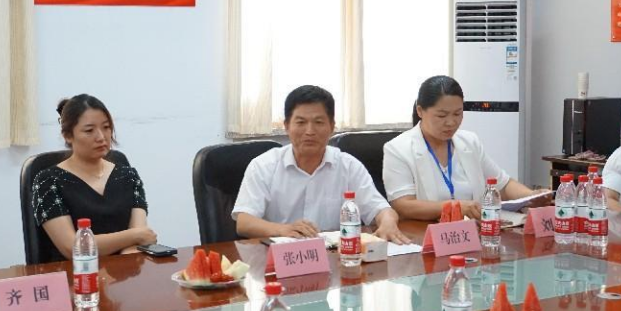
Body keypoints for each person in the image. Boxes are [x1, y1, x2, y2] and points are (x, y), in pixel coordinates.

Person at [232, 85, 410, 244]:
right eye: (301, 122)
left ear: (331, 126)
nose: (310, 131)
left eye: (318, 122)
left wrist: (388, 222)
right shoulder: (263, 166)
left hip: (334, 258)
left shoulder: (348, 166)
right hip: (279, 258)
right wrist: (283, 229)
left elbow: (380, 209)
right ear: (286, 126)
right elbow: (244, 222)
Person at [383, 76, 547, 221]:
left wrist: (531, 196)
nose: (451, 122)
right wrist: (456, 207)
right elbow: (404, 205)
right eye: (441, 115)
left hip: (473, 232)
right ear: (420, 111)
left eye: (457, 114)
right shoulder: (398, 149)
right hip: (425, 234)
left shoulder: (469, 142)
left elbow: (502, 185)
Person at [32, 94, 157, 260]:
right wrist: (134, 235)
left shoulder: (129, 176)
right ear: (68, 135)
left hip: (124, 270)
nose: (101, 137)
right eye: (89, 131)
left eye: (106, 127)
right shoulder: (48, 181)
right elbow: (72, 248)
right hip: (75, 272)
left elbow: (138, 240)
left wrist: (123, 266)